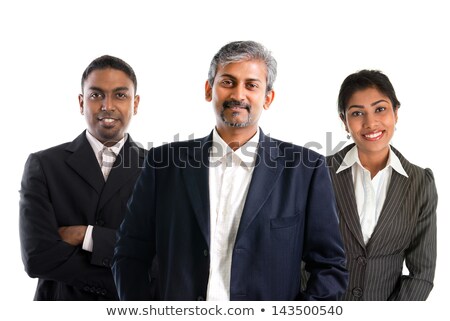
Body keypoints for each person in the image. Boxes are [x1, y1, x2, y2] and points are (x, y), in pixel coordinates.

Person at [112, 41, 348, 301]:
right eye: (228, 82)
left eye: (251, 85)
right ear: (208, 89)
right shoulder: (163, 164)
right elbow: (129, 254)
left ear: (268, 98)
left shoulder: (306, 170)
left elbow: (329, 266)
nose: (239, 95)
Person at [19, 55, 146, 300]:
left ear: (135, 103)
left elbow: (163, 257)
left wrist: (86, 235)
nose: (107, 105)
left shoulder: (158, 169)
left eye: (120, 95)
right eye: (96, 95)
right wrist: (123, 277)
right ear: (81, 102)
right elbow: (37, 258)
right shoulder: (44, 165)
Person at [327, 70, 437, 300]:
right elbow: (294, 254)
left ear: (396, 113)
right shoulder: (316, 175)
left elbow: (422, 272)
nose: (370, 123)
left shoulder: (420, 183)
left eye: (380, 109)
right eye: (357, 113)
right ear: (344, 122)